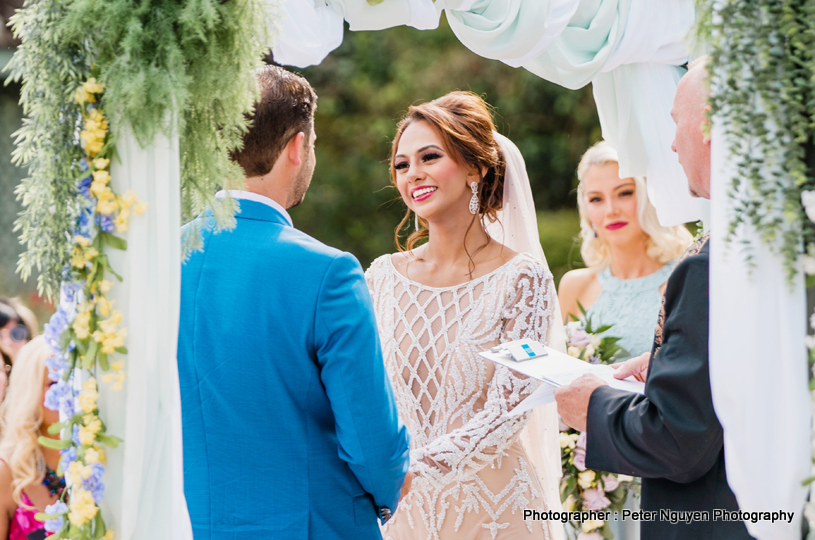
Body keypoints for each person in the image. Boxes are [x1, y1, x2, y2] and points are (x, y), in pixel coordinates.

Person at [177, 65, 411, 540]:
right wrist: (391, 487)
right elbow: (371, 443)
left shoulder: (158, 262)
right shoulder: (327, 273)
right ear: (297, 147)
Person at [554, 60, 753, 539]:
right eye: (595, 198)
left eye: (675, 126)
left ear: (707, 129)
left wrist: (592, 407)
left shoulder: (705, 262)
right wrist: (666, 365)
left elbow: (678, 441)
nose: (670, 145)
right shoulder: (765, 239)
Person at [365, 91, 564, 540]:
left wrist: (414, 469)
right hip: (402, 517)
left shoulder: (522, 279)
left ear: (475, 167)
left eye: (429, 157)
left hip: (495, 515)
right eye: (401, 164)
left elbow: (508, 411)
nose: (413, 173)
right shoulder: (380, 279)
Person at [558, 141, 693, 357]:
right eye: (596, 199)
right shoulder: (574, 286)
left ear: (647, 196)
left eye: (624, 193)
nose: (611, 210)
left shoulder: (683, 281)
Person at [0, 336, 65, 540]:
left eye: (72, 381)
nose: (68, 394)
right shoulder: (7, 474)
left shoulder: (100, 466)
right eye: (54, 383)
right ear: (30, 392)